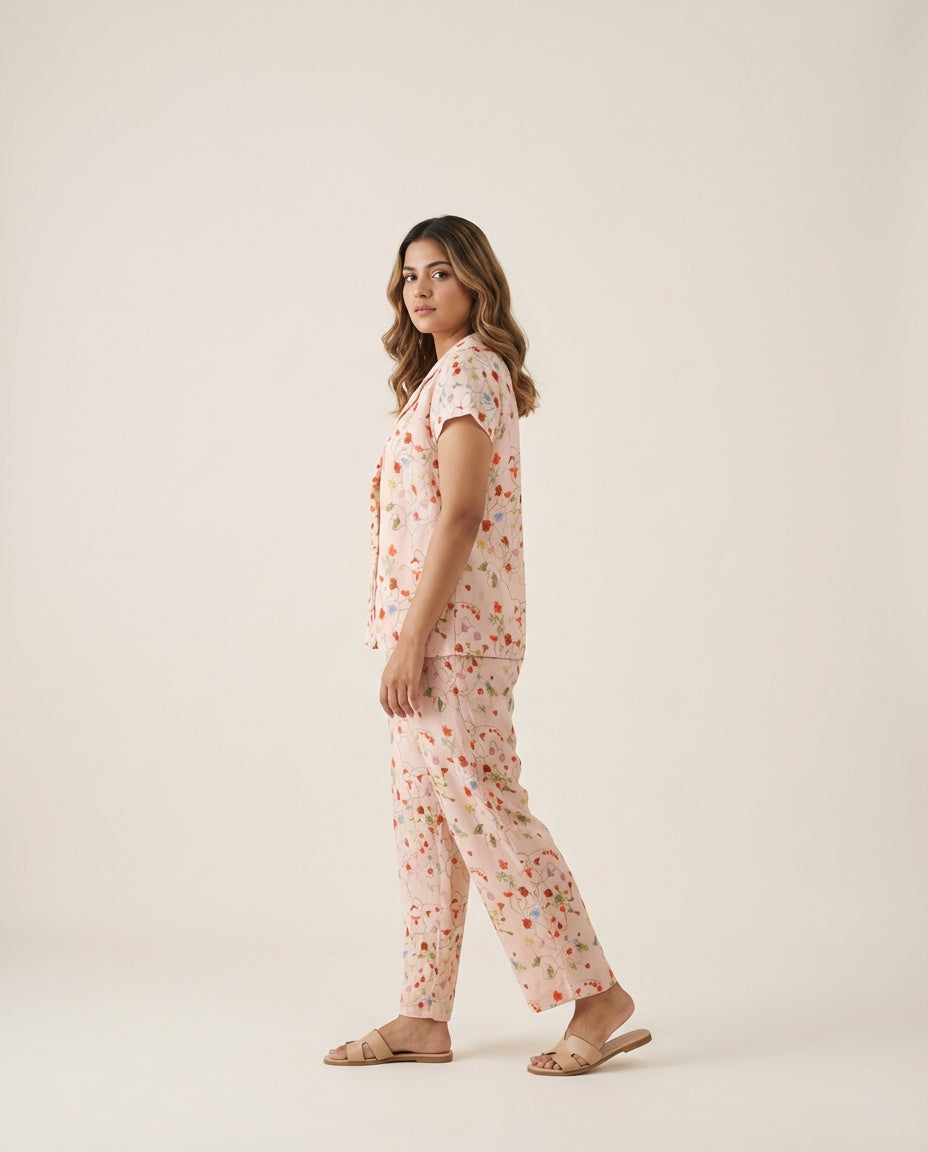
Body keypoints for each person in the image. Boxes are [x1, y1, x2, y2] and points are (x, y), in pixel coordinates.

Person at [324, 216, 651, 1076]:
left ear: (476, 281)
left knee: (490, 819)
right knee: (425, 830)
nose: (420, 289)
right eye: (409, 276)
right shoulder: (439, 381)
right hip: (427, 643)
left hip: (455, 643)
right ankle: (422, 1014)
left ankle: (597, 994)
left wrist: (413, 643)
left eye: (439, 272)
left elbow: (463, 513)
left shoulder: (472, 372)